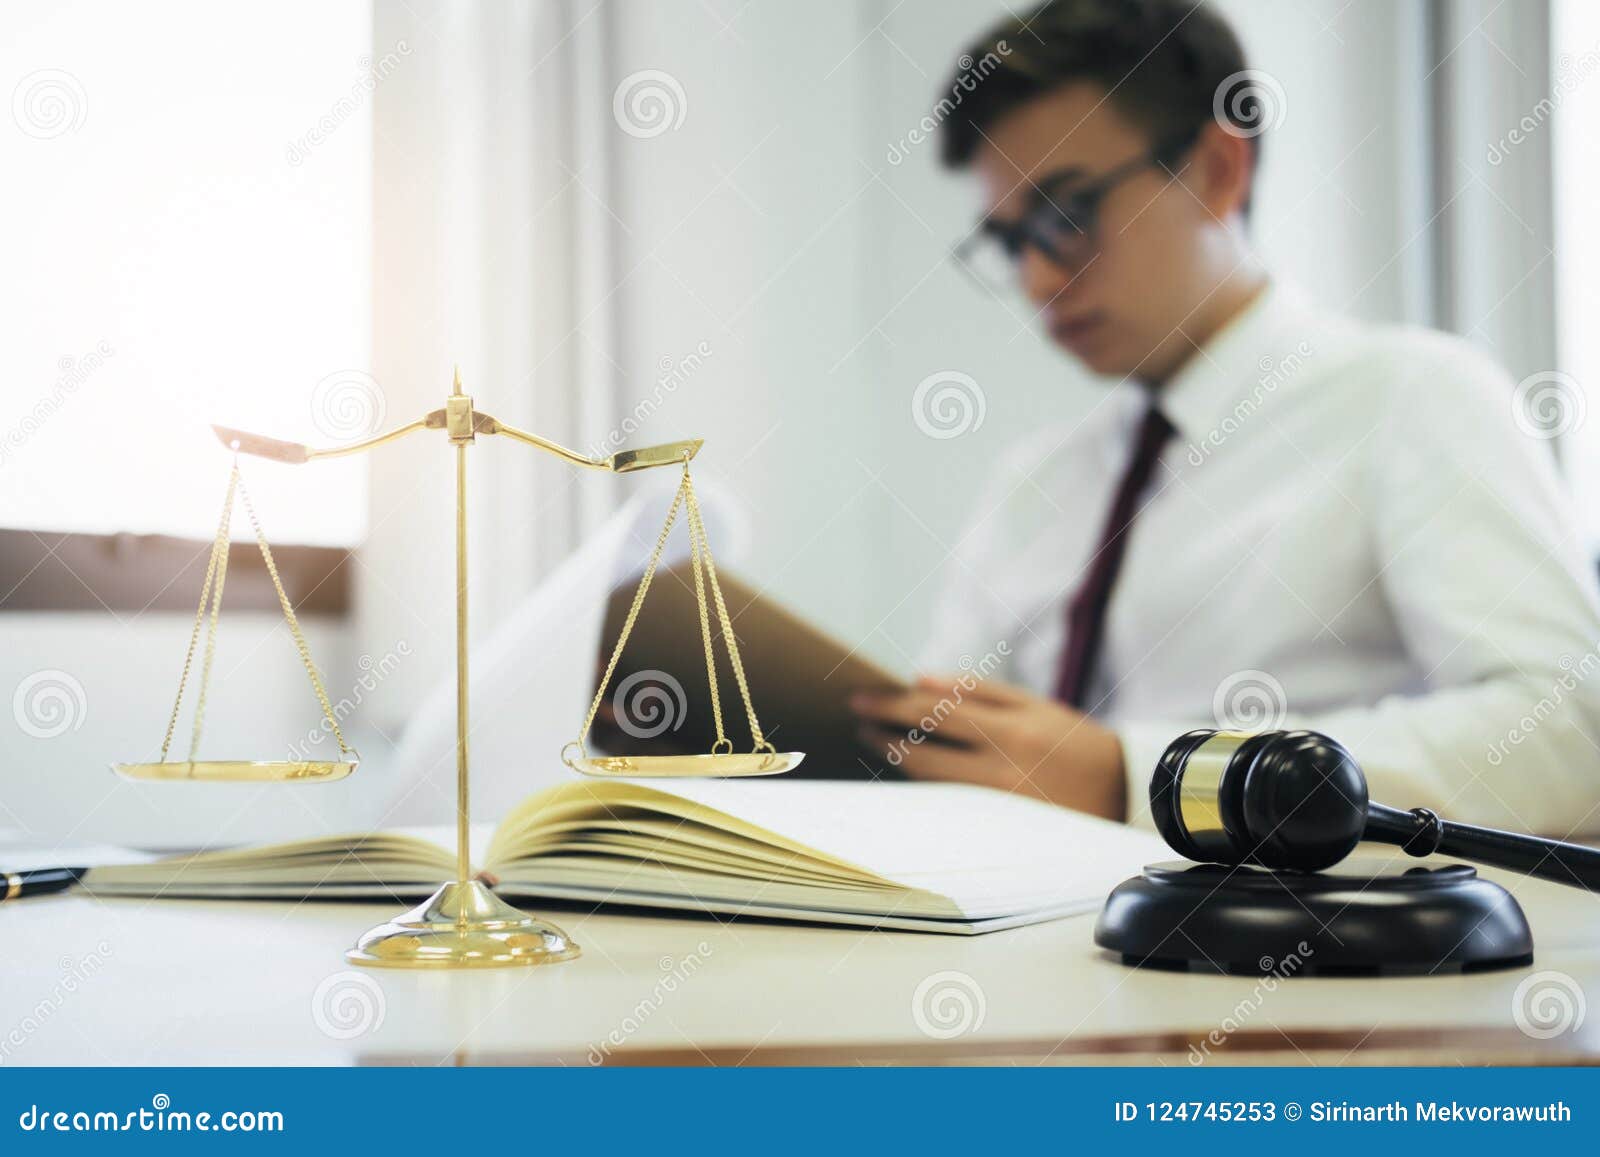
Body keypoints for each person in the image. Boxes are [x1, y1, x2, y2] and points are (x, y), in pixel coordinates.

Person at [851, 0, 1600, 835]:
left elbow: (1567, 735)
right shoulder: (1037, 481)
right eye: (1011, 239)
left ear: (1216, 170)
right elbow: (954, 747)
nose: (1036, 281)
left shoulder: (1413, 398)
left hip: (1304, 954)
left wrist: (1137, 777)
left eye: (1067, 214)